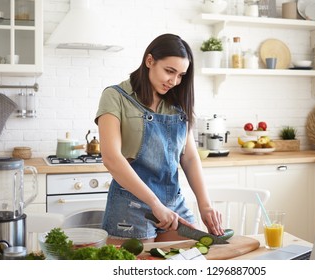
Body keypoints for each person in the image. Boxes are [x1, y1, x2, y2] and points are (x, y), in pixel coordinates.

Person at [95, 33, 224, 243]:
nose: (174, 81)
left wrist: (205, 204)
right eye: (169, 71)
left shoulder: (178, 103)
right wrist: (154, 204)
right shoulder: (115, 96)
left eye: (181, 75)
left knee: (191, 259)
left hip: (173, 203)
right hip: (130, 206)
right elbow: (111, 158)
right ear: (149, 61)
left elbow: (189, 158)